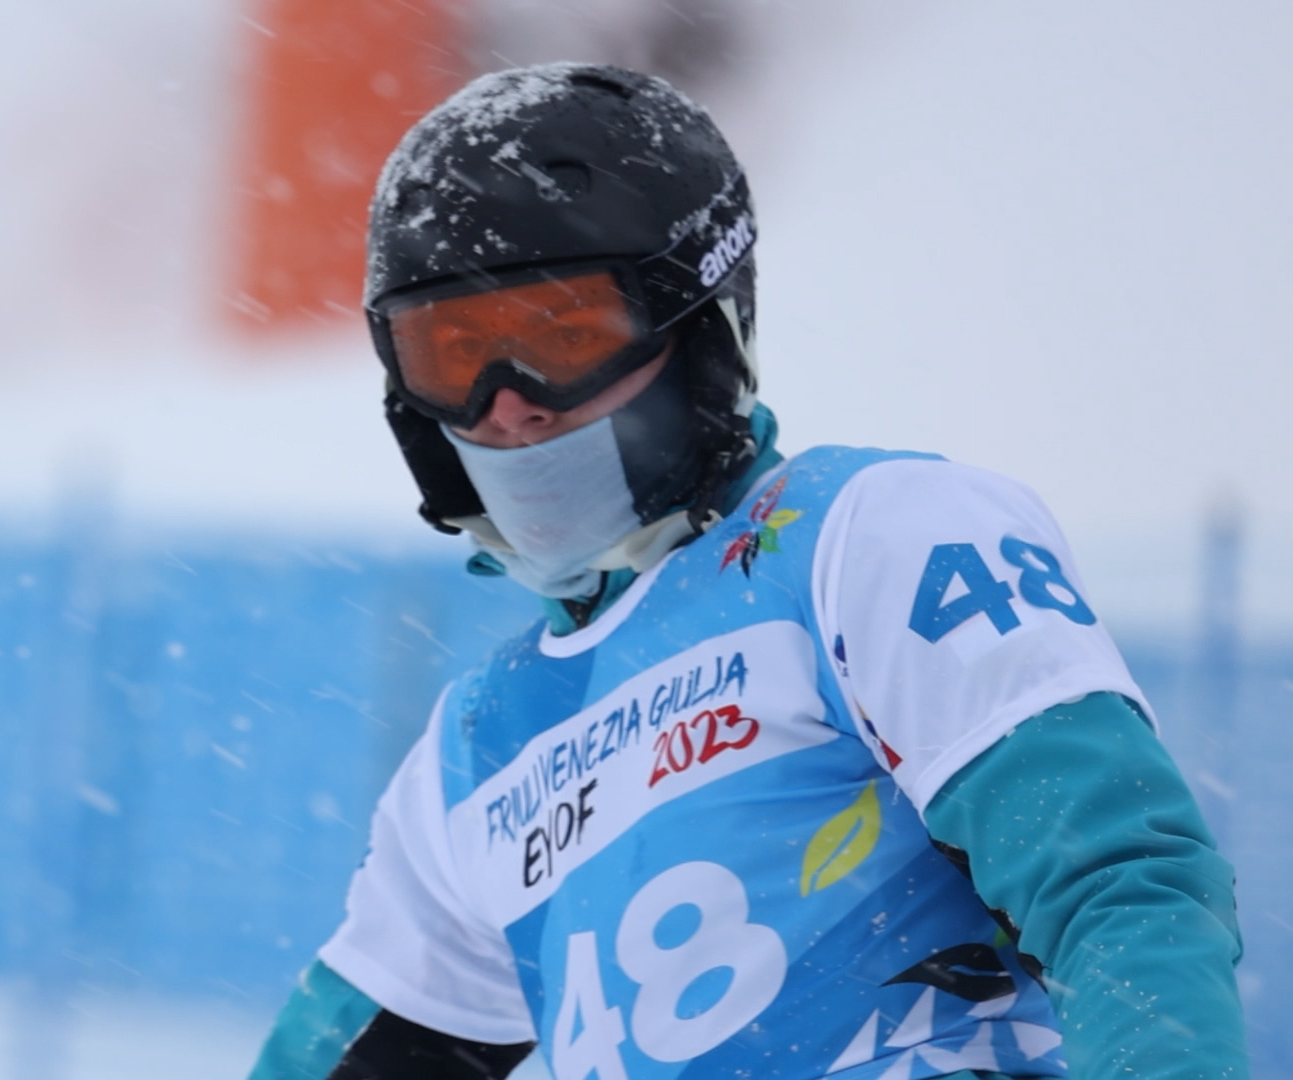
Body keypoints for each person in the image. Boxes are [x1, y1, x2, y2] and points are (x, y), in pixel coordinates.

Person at [246, 63, 1248, 1080]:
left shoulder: (870, 539)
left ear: (699, 326)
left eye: (563, 335)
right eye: (454, 356)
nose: (510, 406)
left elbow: (1116, 883)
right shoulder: (477, 749)